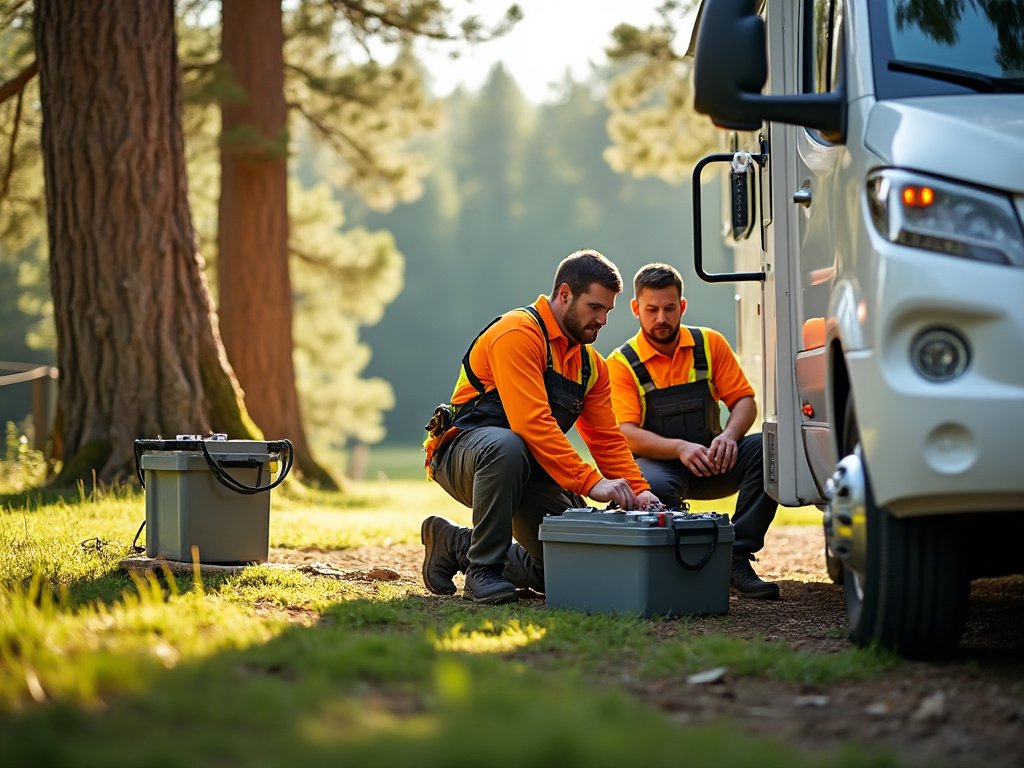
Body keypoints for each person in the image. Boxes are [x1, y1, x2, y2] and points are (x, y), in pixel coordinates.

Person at [420, 249, 660, 605]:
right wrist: (591, 483)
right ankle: (483, 570)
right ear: (565, 294)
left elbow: (606, 438)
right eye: (595, 308)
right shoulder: (517, 333)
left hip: (528, 467)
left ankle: (455, 544)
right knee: (506, 446)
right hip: (464, 456)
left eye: (607, 311)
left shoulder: (591, 366)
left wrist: (639, 492)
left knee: (566, 568)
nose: (603, 320)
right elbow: (530, 423)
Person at [606, 263, 779, 599]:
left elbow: (744, 401)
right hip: (662, 467)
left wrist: (729, 436)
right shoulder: (621, 363)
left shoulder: (709, 343)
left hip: (715, 459)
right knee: (648, 484)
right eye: (651, 310)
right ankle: (677, 565)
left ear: (682, 306)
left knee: (770, 448)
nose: (661, 319)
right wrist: (680, 448)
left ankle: (736, 556)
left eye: (669, 309)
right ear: (635, 309)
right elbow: (626, 433)